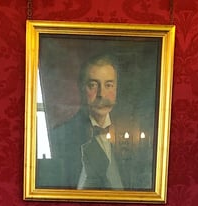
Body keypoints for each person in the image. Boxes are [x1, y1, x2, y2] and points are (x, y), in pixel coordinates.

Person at [43, 54, 151, 190]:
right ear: (81, 88)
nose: (102, 94)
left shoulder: (133, 133)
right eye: (93, 85)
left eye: (109, 85)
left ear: (116, 89)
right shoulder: (61, 135)